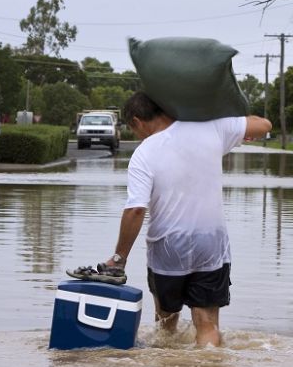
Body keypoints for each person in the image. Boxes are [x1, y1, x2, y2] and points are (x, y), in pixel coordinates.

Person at [101, 91, 271, 347]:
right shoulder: (211, 127)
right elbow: (264, 125)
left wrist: (119, 259)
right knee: (207, 323)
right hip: (210, 244)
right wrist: (224, 116)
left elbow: (136, 210)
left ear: (136, 121)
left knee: (165, 324)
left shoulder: (144, 153)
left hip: (167, 247)